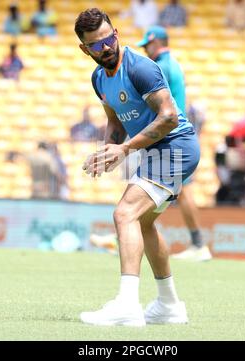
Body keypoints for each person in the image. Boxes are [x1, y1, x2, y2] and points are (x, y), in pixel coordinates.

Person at [75, 8, 200, 326]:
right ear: (84, 49)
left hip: (176, 146)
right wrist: (107, 150)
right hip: (156, 152)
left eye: (108, 38)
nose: (105, 47)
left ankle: (127, 305)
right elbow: (114, 121)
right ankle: (169, 306)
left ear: (115, 33)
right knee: (143, 223)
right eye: (96, 44)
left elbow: (169, 118)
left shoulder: (141, 67)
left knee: (124, 214)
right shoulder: (98, 78)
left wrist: (126, 149)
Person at [137, 26, 212, 261]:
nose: (145, 51)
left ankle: (199, 244)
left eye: (147, 45)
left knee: (171, 189)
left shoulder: (162, 67)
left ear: (156, 43)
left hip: (172, 137)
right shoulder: (172, 64)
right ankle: (198, 244)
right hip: (175, 136)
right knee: (177, 190)